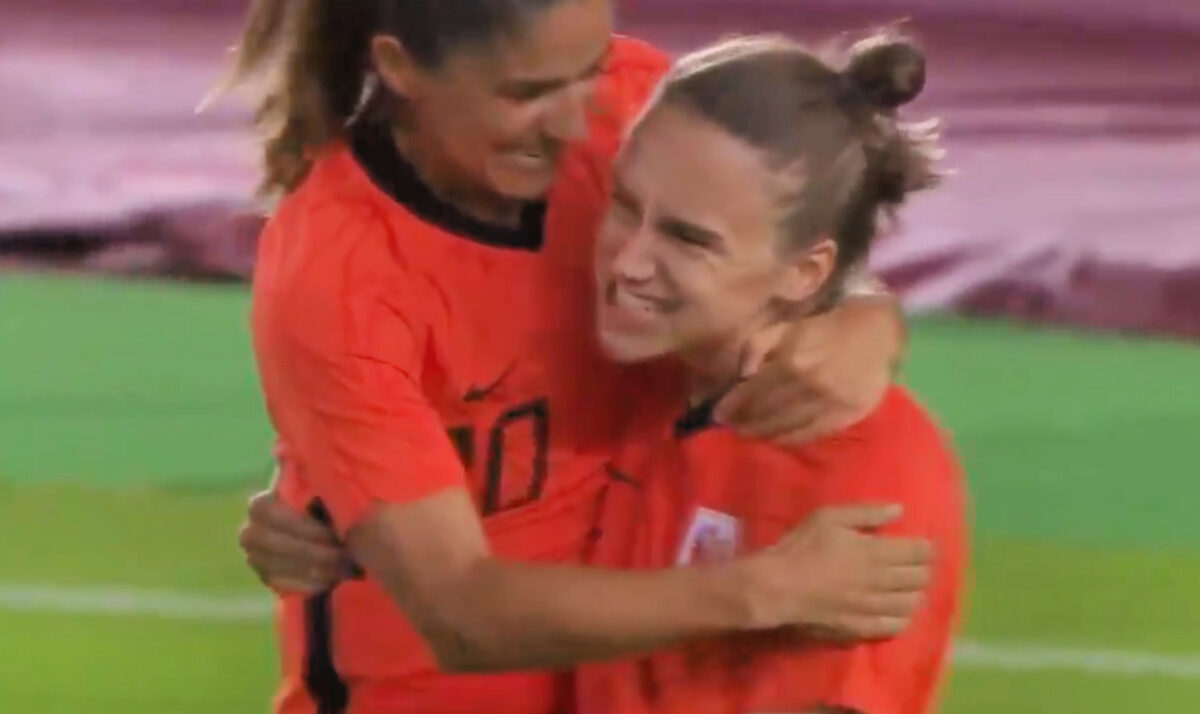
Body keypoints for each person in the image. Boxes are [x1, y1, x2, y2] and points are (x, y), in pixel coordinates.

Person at [222, 0, 923, 712]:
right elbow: (462, 613)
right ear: (400, 68)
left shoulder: (636, 107)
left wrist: (864, 311)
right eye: (525, 94)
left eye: (586, 72)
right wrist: (769, 588)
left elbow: (768, 233)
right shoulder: (338, 273)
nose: (570, 121)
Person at [574, 32, 965, 714]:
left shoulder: (865, 466)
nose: (627, 262)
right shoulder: (652, 380)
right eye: (625, 206)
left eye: (689, 240)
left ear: (803, 272)